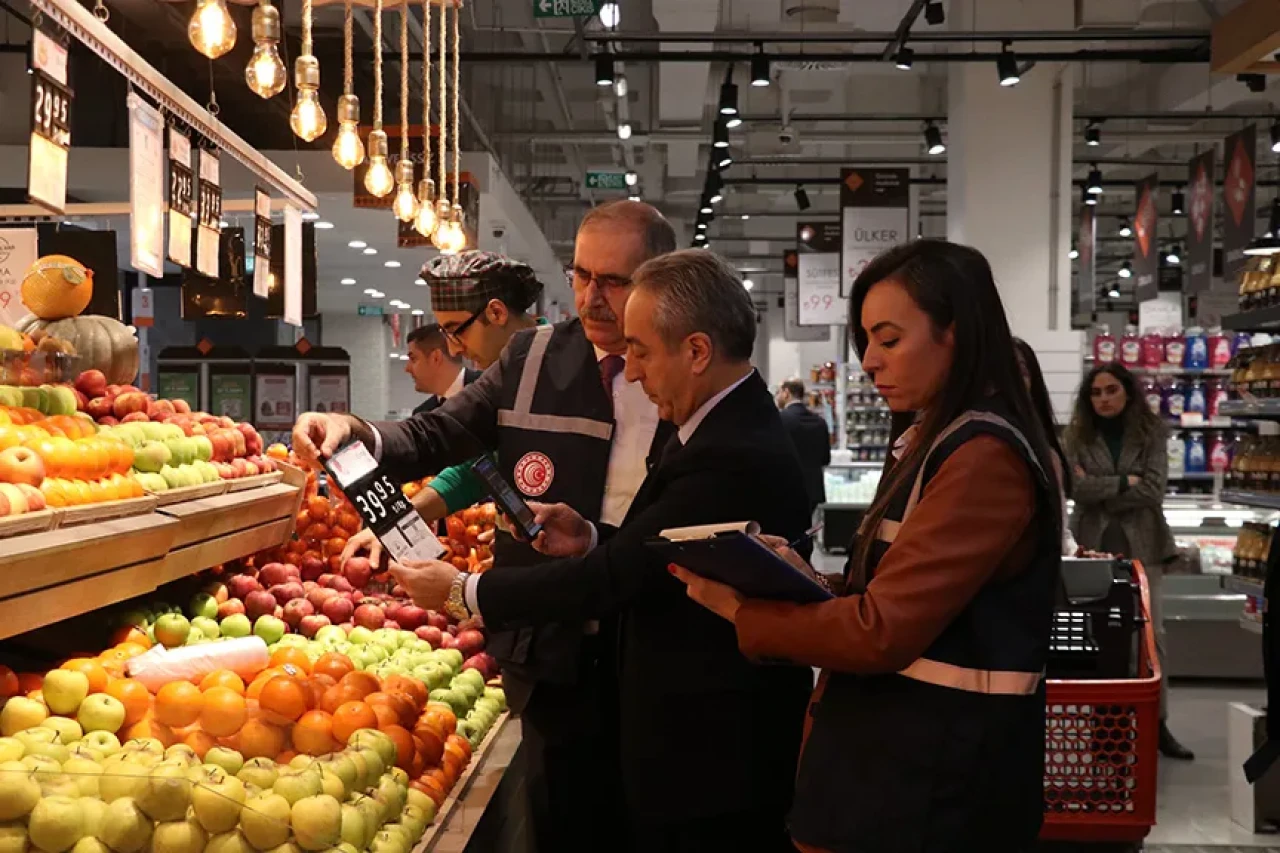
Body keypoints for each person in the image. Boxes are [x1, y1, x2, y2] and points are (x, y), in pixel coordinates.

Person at [388, 249, 812, 853]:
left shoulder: (729, 450)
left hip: (710, 755)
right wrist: (589, 535)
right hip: (691, 741)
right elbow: (662, 554)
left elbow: (619, 578)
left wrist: (462, 591)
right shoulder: (713, 425)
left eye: (639, 351)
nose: (630, 373)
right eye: (579, 276)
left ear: (695, 352)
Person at [293, 202, 677, 851]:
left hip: (654, 651)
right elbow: (436, 434)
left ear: (661, 279)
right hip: (550, 650)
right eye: (582, 275)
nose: (592, 297)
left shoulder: (679, 369)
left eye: (614, 280)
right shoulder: (531, 359)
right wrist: (353, 429)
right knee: (561, 823)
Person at [671, 239, 1061, 853]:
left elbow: (881, 630)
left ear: (953, 331)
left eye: (890, 339)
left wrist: (748, 614)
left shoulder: (983, 457)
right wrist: (800, 577)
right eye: (868, 342)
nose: (870, 362)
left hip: (931, 794)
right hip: (898, 779)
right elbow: (897, 596)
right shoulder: (933, 442)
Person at [1064, 362, 1194, 761]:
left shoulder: (1151, 432)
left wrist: (1102, 487)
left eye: (1111, 390)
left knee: (1152, 638)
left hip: (1144, 541)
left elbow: (1153, 489)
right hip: (1092, 544)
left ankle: (1157, 724)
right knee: (1103, 635)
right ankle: (1108, 728)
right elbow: (1076, 488)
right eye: (1096, 393)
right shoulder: (1076, 435)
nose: (1103, 399)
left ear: (1127, 392)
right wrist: (1125, 482)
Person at [1013, 338, 1078, 556]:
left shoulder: (1046, 449)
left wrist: (1071, 551)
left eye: (1021, 371)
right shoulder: (977, 442)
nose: (1011, 380)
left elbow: (1058, 526)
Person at [777, 378, 832, 516]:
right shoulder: (820, 422)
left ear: (786, 392)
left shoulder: (780, 419)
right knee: (806, 530)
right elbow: (825, 458)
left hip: (786, 489)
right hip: (813, 491)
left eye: (779, 392)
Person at [404, 324, 481, 416]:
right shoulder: (423, 414)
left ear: (435, 358)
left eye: (413, 359)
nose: (407, 369)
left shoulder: (490, 389)